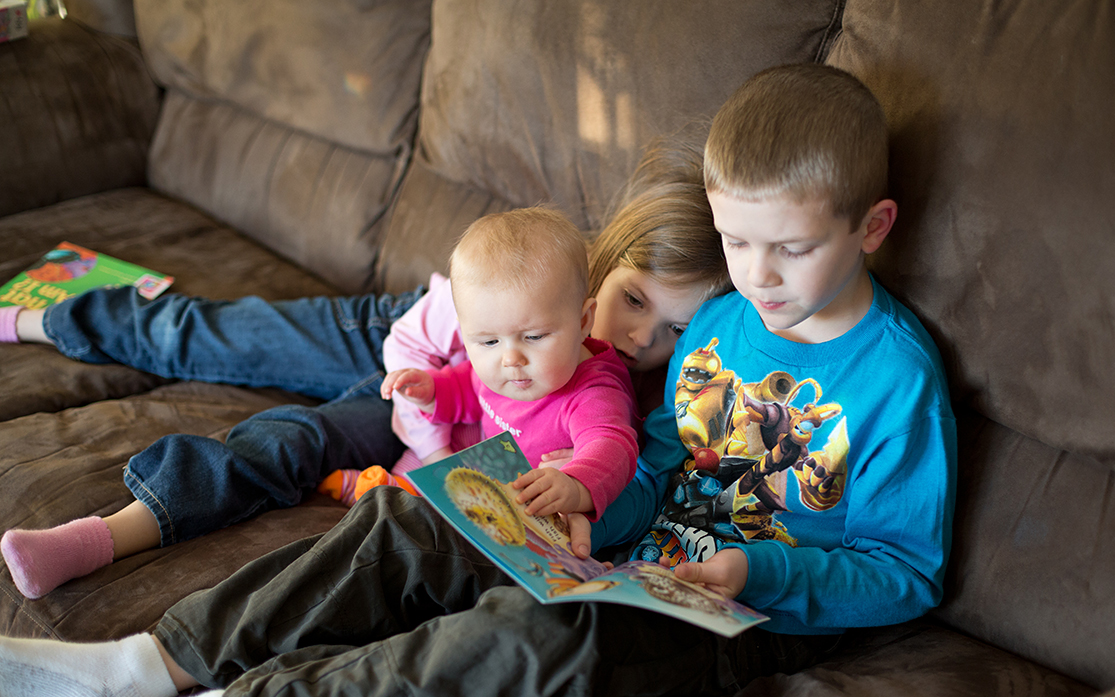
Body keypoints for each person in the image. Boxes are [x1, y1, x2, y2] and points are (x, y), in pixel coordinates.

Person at [0, 63, 956, 697]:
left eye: (791, 248)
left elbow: (906, 572)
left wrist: (760, 573)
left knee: (529, 640)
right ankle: (143, 666)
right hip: (627, 541)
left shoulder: (899, 382)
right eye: (737, 243)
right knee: (416, 514)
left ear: (872, 227)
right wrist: (593, 497)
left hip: (752, 608)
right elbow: (661, 448)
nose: (759, 276)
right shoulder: (721, 318)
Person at [0, 139, 729, 599]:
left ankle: (110, 532)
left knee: (298, 439)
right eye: (632, 299)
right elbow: (461, 343)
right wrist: (443, 385)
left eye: (676, 328)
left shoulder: (640, 393)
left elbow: (616, 460)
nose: (641, 337)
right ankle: (39, 317)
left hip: (451, 405)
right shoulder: (533, 287)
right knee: (213, 335)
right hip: (413, 343)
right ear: (601, 269)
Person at [381, 205, 639, 520]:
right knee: (410, 476)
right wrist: (433, 391)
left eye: (534, 337)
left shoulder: (593, 393)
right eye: (489, 342)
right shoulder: (506, 369)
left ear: (584, 320)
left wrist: (575, 485)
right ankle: (376, 492)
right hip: (489, 460)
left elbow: (612, 444)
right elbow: (470, 388)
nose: (510, 359)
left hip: (531, 501)